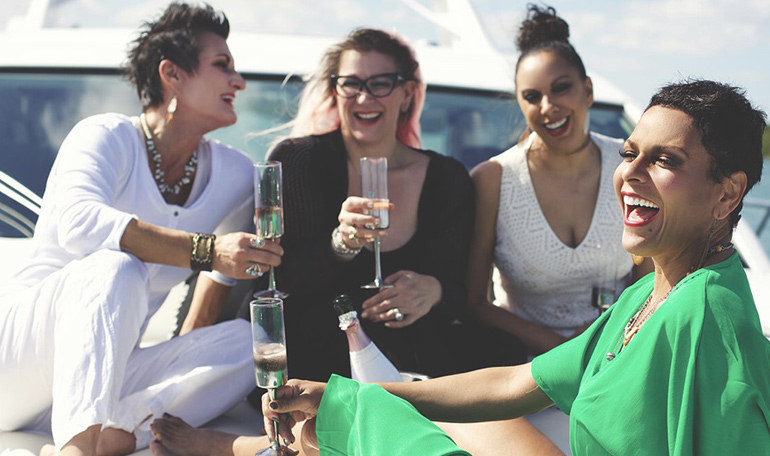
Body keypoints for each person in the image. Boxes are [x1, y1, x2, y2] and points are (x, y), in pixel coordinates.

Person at [257, 79, 770, 455]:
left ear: (727, 194)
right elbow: (517, 384)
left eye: (666, 161)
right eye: (631, 152)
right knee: (372, 415)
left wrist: (346, 407)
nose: (629, 174)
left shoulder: (707, 316)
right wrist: (338, 393)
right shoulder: (651, 293)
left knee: (348, 432)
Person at [0, 3, 283, 456]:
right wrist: (208, 251)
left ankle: (123, 429)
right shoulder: (106, 136)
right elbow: (79, 223)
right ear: (172, 74)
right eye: (222, 65)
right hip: (14, 366)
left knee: (249, 339)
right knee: (117, 267)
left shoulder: (233, 173)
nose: (239, 81)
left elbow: (223, 272)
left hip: (108, 373)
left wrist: (190, 345)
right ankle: (78, 448)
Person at [183, 27, 500, 383]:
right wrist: (340, 244)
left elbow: (466, 294)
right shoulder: (298, 160)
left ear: (407, 93)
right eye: (351, 84)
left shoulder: (448, 178)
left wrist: (434, 290)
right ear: (335, 91)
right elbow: (278, 279)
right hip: (314, 360)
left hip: (412, 364)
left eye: (381, 83)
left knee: (501, 352)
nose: (364, 98)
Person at [467, 4, 651, 357]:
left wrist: (605, 339)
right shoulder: (493, 180)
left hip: (618, 354)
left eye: (561, 88)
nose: (548, 106)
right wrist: (564, 353)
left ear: (588, 91)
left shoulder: (632, 165)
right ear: (521, 104)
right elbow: (475, 302)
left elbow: (651, 278)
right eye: (532, 96)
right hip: (522, 367)